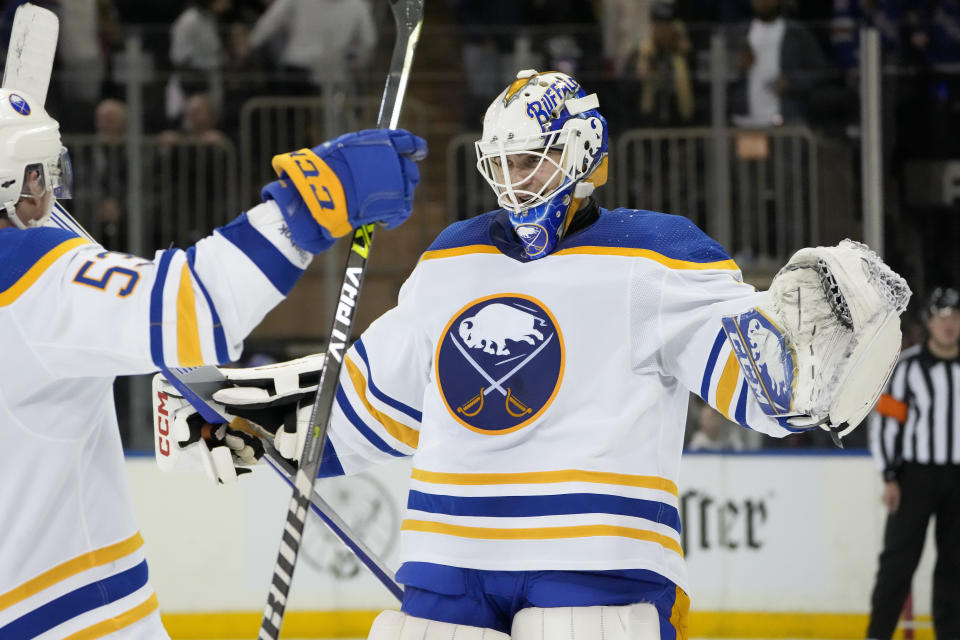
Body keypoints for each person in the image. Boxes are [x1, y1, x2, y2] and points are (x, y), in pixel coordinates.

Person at [157, 69, 910, 639]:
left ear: (583, 156)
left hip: (595, 568)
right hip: (447, 560)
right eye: (504, 165)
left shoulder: (660, 256)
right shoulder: (450, 261)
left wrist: (807, 369)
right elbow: (362, 402)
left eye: (535, 163)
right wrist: (225, 418)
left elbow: (761, 386)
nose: (516, 185)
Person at [0, 78, 426, 638]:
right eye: (41, 177)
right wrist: (315, 199)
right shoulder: (21, 274)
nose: (51, 197)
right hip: (68, 618)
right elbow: (194, 308)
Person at [866, 286, 960, 640]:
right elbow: (887, 424)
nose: (949, 324)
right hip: (914, 478)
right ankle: (878, 634)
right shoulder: (907, 370)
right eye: (941, 316)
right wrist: (889, 475)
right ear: (929, 322)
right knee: (898, 562)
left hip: (958, 477)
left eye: (955, 316)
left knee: (954, 567)